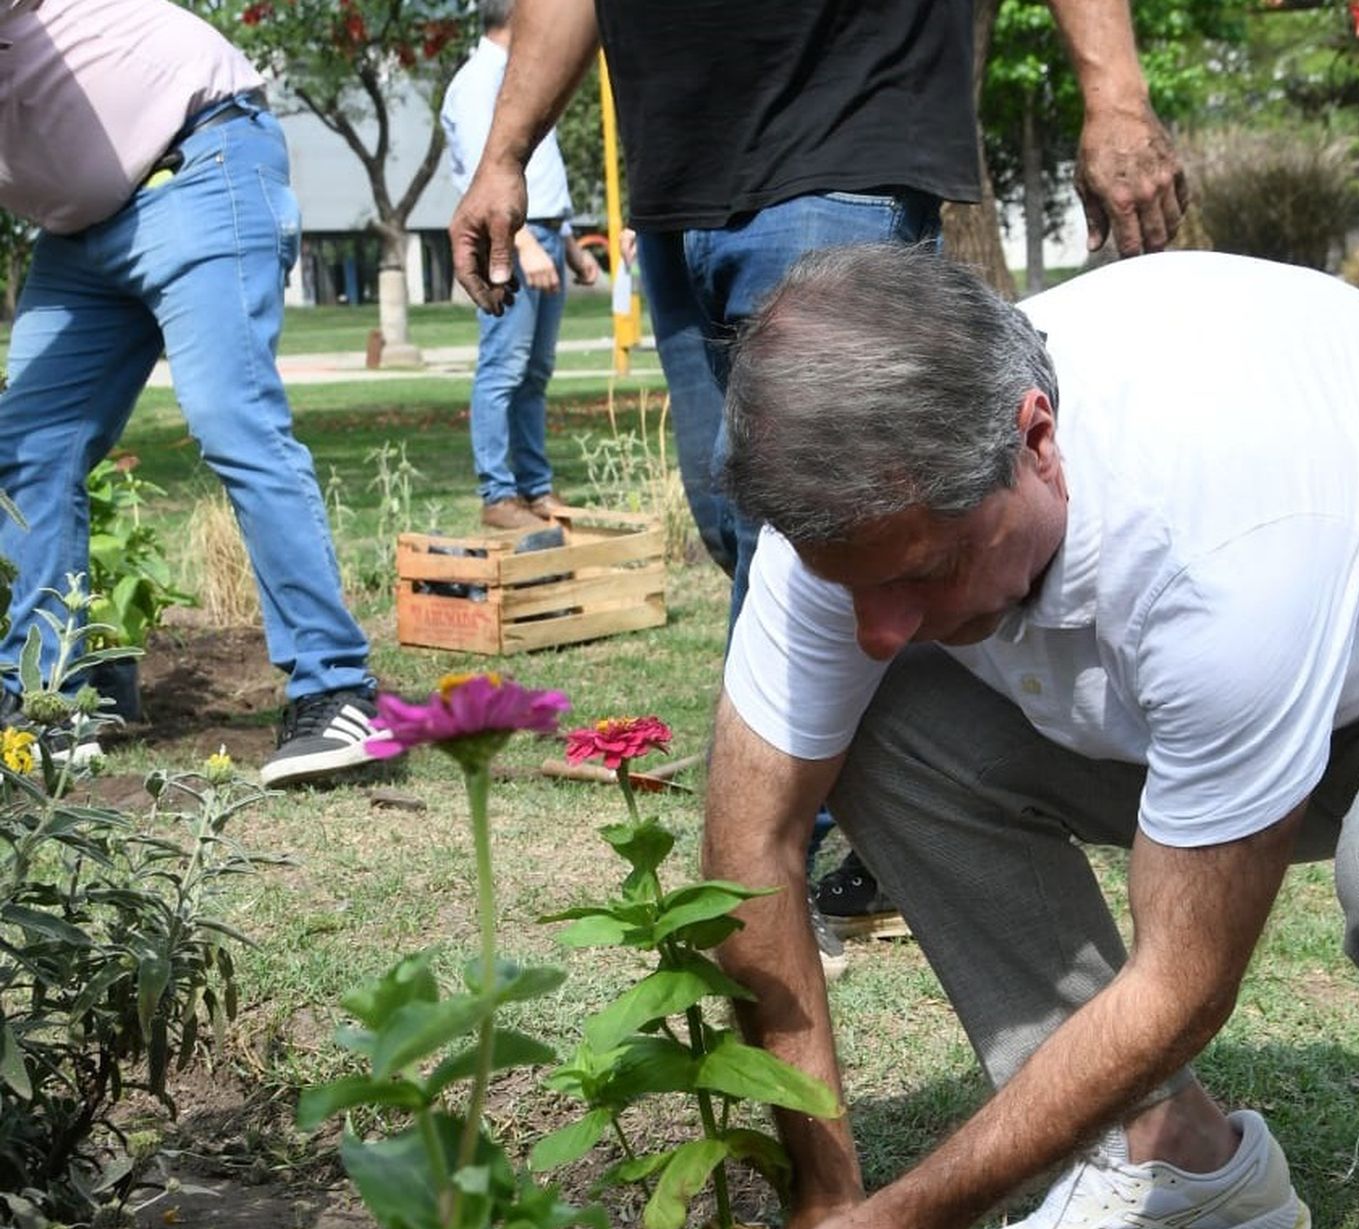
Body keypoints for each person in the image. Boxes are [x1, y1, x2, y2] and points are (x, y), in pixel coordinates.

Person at [701, 243, 1359, 1229]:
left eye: (921, 572)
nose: (879, 622)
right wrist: (825, 1192)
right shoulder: (864, 496)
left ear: (1037, 437)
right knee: (884, 721)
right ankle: (1171, 1164)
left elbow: (1186, 978)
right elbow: (749, 844)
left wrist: (903, 1228)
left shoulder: (1218, 513)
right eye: (851, 583)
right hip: (1193, 686)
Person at [447, 0, 1189, 956]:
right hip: (679, 181)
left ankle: (774, 877)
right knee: (740, 514)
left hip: (845, 138)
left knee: (822, 530)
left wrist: (1117, 94)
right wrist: (505, 150)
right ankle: (887, 826)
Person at [0, 0, 388, 788]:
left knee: (231, 420)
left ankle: (338, 691)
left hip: (200, 162)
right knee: (26, 450)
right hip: (78, 232)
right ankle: (49, 706)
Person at [441, 0, 599, 536]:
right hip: (509, 242)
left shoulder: (527, 78)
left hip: (549, 234)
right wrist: (525, 245)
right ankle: (497, 492)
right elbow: (483, 181)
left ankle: (534, 488)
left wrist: (570, 244)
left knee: (534, 374)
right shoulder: (475, 84)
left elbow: (539, 172)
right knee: (503, 370)